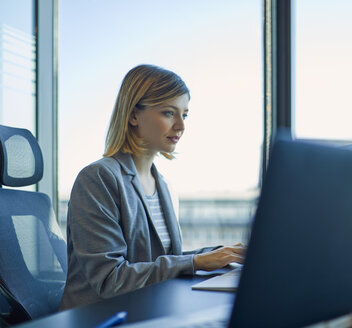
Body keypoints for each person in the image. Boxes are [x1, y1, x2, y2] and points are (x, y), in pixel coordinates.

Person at [60, 64, 246, 310]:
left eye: (185, 114)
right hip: (100, 317)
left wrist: (221, 254)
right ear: (133, 115)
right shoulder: (98, 178)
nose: (181, 125)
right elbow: (109, 280)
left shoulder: (164, 186)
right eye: (169, 113)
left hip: (146, 308)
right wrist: (196, 262)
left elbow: (161, 261)